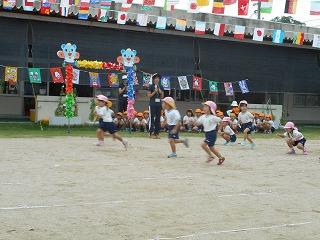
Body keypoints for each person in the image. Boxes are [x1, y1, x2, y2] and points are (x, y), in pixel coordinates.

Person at [196, 101, 225, 165]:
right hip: (207, 134)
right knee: (211, 147)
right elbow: (197, 123)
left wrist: (219, 129)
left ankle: (211, 156)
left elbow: (221, 122)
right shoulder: (203, 116)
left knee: (203, 145)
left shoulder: (213, 117)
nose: (204, 108)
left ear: (211, 108)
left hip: (212, 133)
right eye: (204, 106)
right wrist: (195, 124)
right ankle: (221, 158)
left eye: (206, 106)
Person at [147, 73, 164, 139]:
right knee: (152, 119)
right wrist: (154, 91)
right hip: (152, 104)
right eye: (156, 78)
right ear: (153, 79)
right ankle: (151, 133)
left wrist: (160, 91)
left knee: (158, 119)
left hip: (159, 104)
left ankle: (157, 133)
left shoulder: (161, 86)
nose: (157, 79)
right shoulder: (151, 86)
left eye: (158, 78)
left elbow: (162, 96)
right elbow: (149, 96)